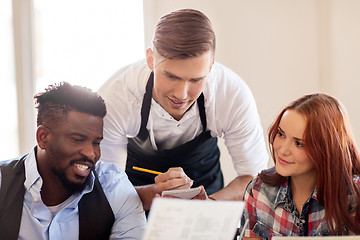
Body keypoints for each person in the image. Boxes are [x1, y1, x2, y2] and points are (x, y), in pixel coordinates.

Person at [98, 8, 268, 210]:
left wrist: (209, 204)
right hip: (134, 202)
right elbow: (105, 189)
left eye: (196, 79)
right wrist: (153, 195)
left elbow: (254, 178)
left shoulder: (232, 93)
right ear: (151, 59)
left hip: (208, 196)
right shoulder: (116, 97)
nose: (181, 94)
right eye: (171, 76)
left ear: (211, 66)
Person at [0, 82, 146, 239]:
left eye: (96, 143)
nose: (91, 154)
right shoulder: (3, 182)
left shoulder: (114, 186)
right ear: (43, 137)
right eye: (77, 140)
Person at [240, 93, 360, 239]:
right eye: (281, 134)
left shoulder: (354, 197)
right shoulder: (258, 190)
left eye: (299, 143)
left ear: (326, 150)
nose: (283, 150)